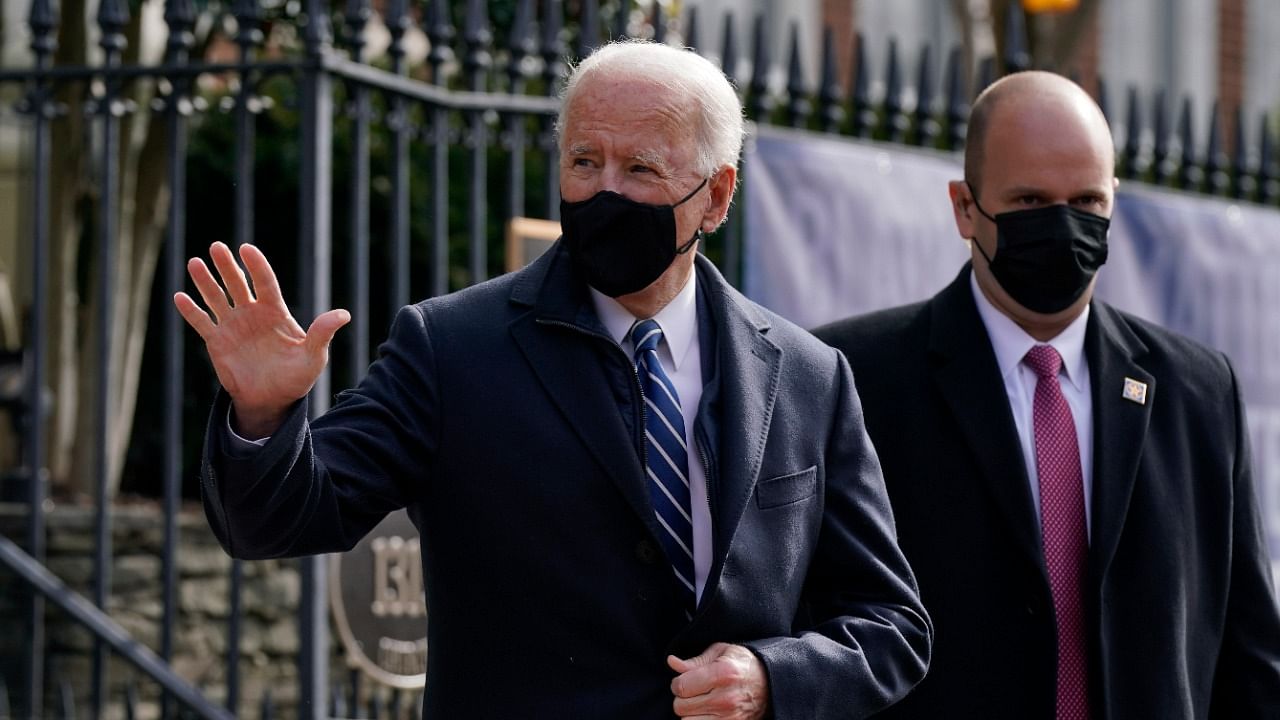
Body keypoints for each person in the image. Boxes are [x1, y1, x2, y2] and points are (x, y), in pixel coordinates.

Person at [175, 40, 931, 719]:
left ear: (718, 195)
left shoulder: (806, 374)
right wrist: (264, 414)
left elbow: (890, 627)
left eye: (640, 169)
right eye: (583, 162)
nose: (605, 192)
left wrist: (772, 676)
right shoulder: (452, 348)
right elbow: (278, 521)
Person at [814, 70, 1280, 719]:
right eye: (1031, 202)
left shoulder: (1197, 391)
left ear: (1115, 199)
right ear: (964, 207)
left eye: (1087, 203)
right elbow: (821, 625)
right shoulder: (856, 378)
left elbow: (1249, 651)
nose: (1062, 227)